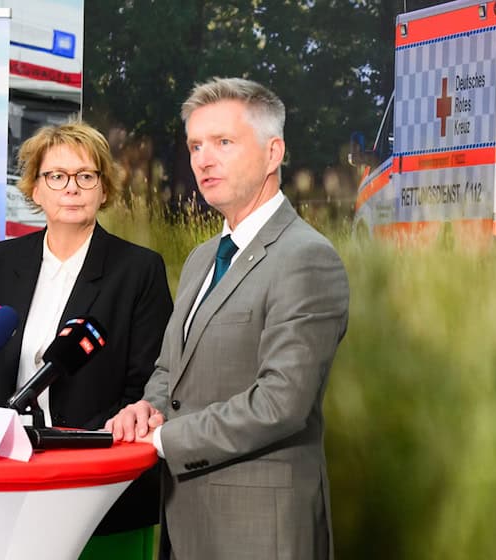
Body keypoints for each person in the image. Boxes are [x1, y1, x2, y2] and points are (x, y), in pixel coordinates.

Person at [106, 77, 351, 559]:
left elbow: (281, 402)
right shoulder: (202, 258)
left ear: (273, 152)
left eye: (223, 142)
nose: (203, 159)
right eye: (196, 145)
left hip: (259, 533)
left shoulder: (306, 258)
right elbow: (170, 370)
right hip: (184, 522)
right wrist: (147, 410)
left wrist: (162, 439)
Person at [0, 122, 172, 558]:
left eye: (85, 176)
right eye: (56, 176)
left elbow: (145, 386)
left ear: (103, 189)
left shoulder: (138, 270)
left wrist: (84, 448)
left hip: (97, 483)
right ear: (35, 190)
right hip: (1, 478)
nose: (71, 188)